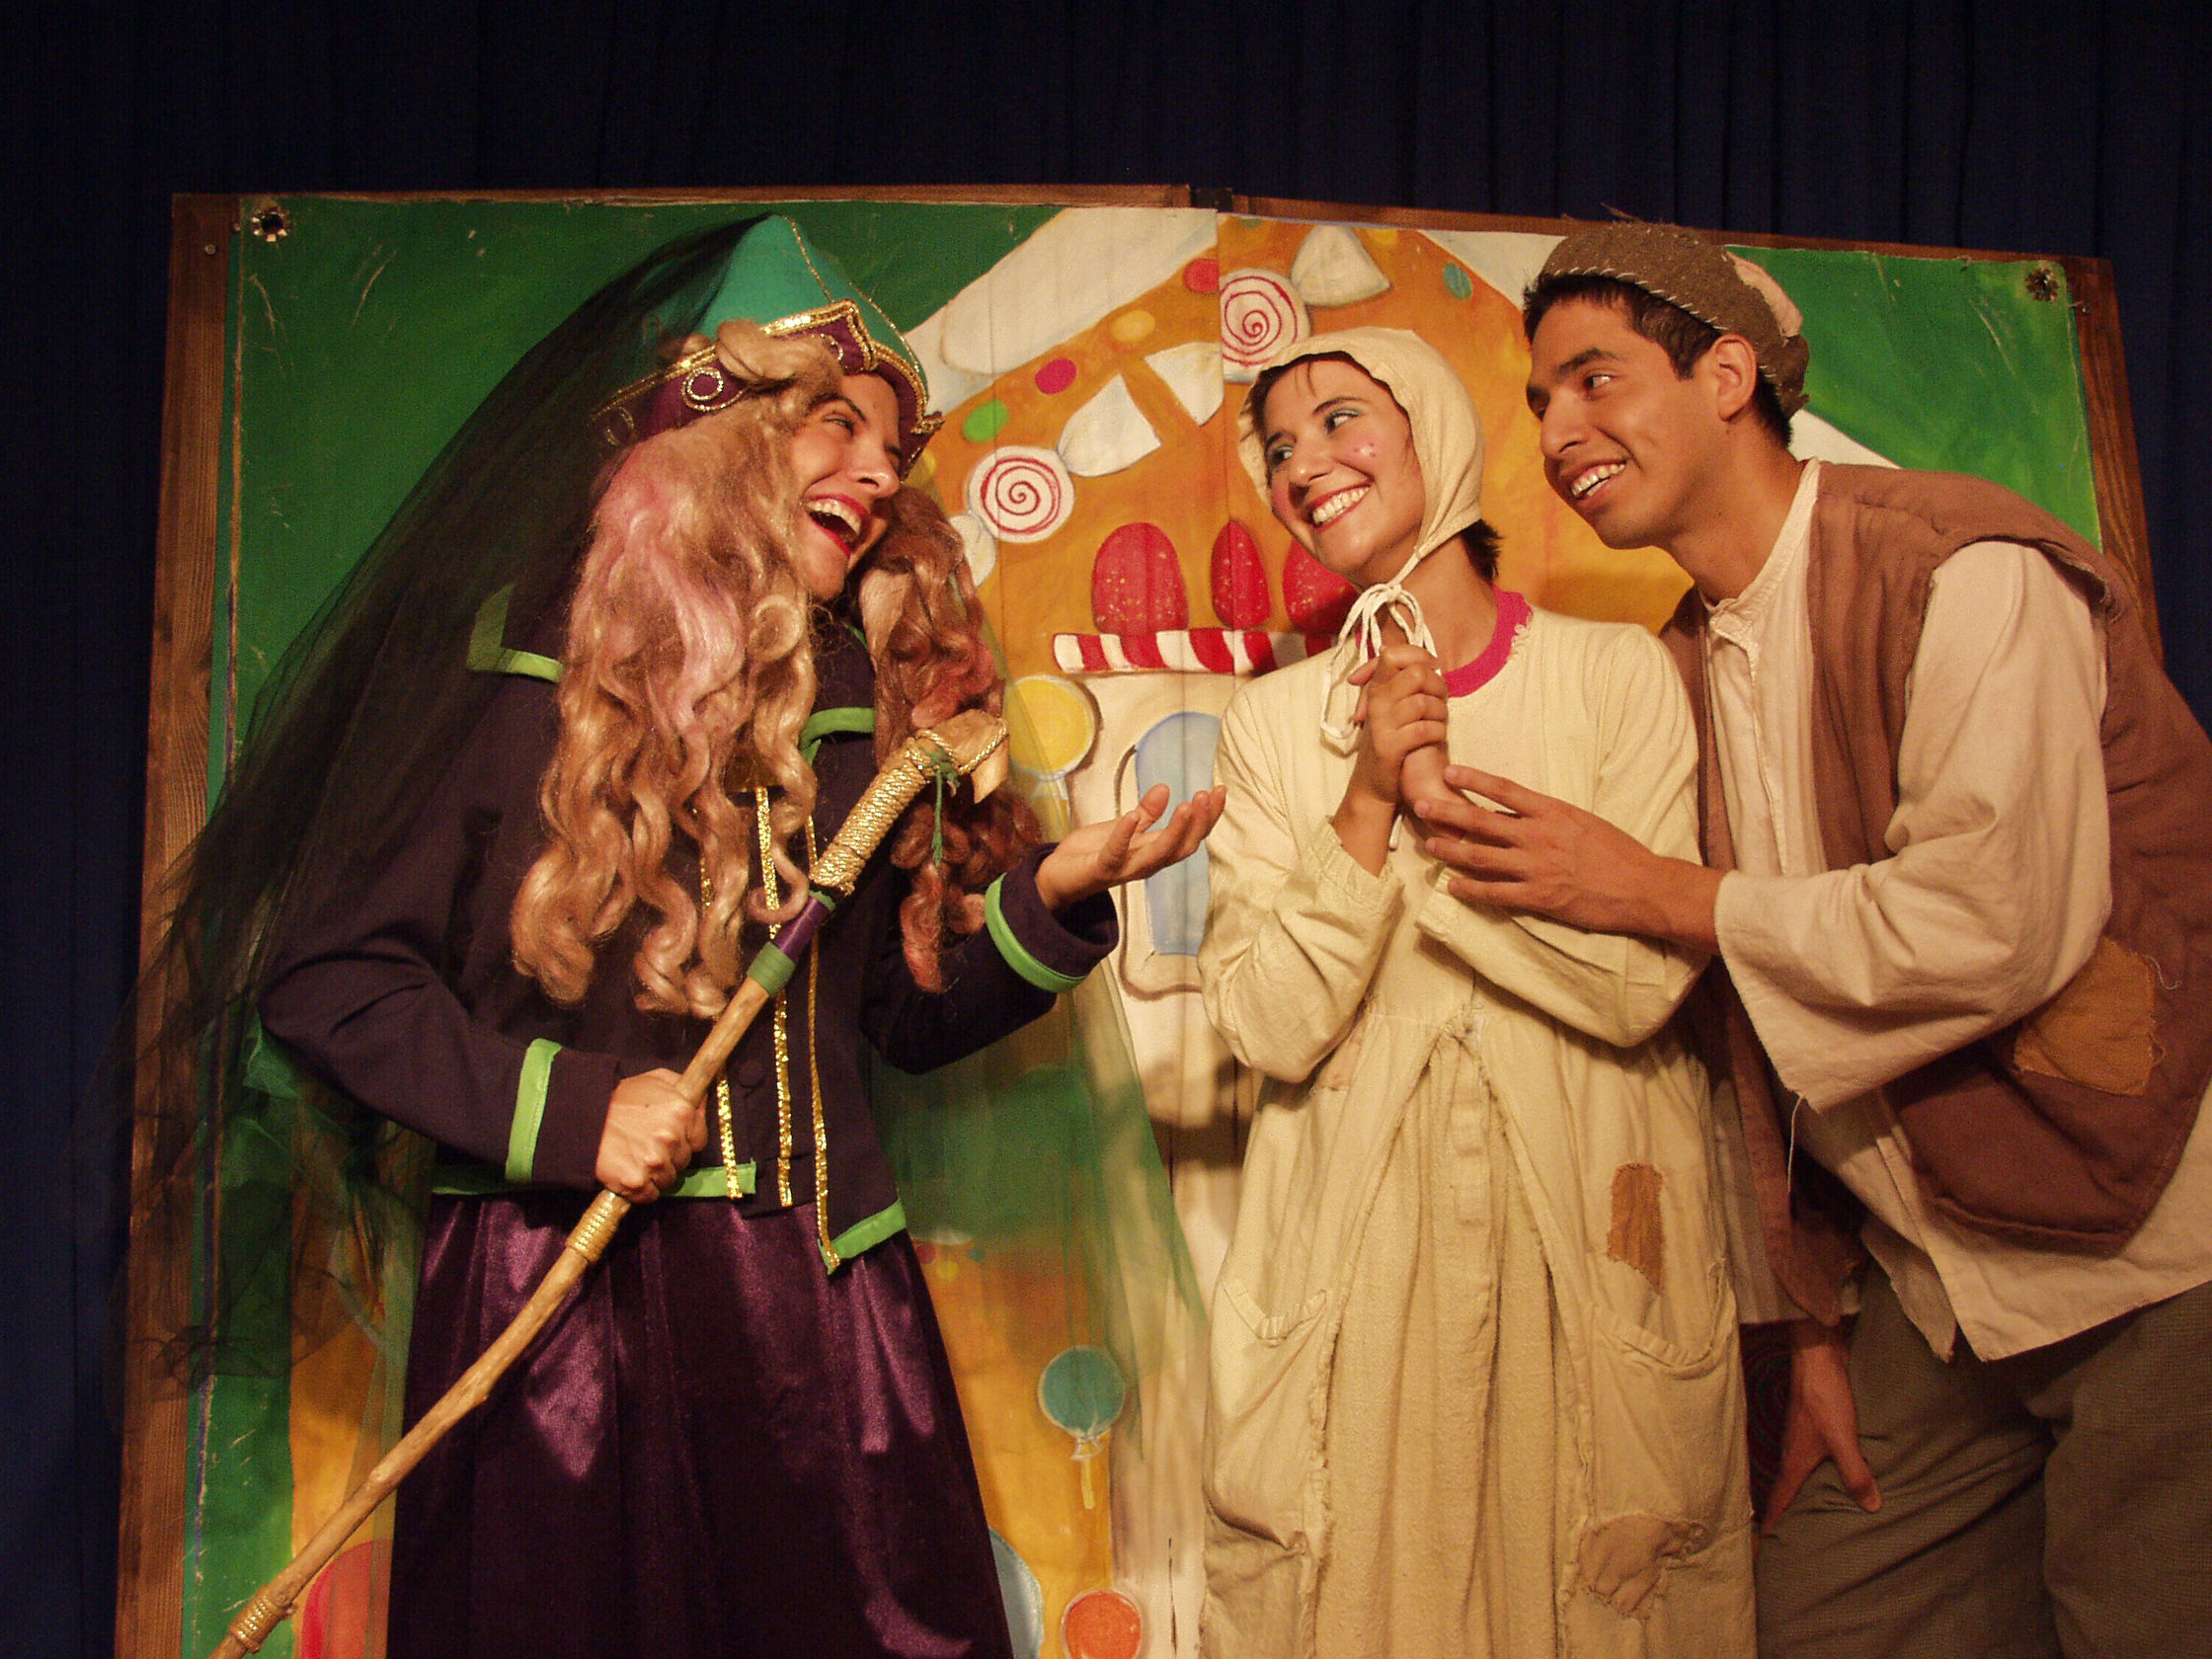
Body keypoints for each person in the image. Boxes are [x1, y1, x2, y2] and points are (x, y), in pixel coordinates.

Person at [169, 215, 1220, 1659]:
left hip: (824, 1323)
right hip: (563, 1318)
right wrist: (576, 1113)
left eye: (894, 450)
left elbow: (898, 1021)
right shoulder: (514, 674)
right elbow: (327, 982)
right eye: (836, 424)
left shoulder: (850, 699)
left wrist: (1058, 895)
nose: (879, 474)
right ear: (715, 436)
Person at [1417, 217, 2212, 1658]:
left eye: (1596, 379)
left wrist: (1663, 891)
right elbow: (1747, 1042)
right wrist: (1819, 1324)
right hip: (1942, 1285)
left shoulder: (1961, 566)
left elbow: (1994, 921)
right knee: (1828, 1623)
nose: (1561, 429)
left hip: (2155, 1250)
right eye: (1540, 401)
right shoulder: (1681, 660)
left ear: (1727, 376)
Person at [1197, 326, 1755, 1659]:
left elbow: (1640, 984)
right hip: (1358, 1265)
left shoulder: (1611, 677)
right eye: (1280, 448)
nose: (1305, 465)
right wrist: (1367, 801)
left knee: (1602, 1607)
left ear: (1434, 427)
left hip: (1591, 1234)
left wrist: (1432, 849)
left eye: (1342, 418)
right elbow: (1267, 1024)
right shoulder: (1276, 726)